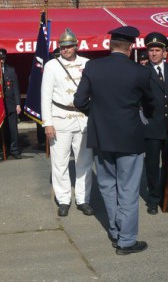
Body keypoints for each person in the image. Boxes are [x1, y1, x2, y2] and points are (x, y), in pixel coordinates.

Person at [74, 26, 154, 255]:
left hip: (102, 136)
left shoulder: (93, 66)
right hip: (130, 136)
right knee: (128, 189)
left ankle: (116, 231)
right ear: (130, 47)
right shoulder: (140, 72)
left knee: (108, 186)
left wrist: (97, 112)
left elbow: (79, 100)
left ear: (110, 45)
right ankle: (126, 241)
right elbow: (150, 104)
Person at [41, 28, 94, 217]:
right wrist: (47, 122)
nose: (65, 49)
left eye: (69, 46)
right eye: (62, 47)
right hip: (60, 118)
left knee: (84, 162)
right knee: (60, 162)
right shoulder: (51, 66)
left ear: (76, 46)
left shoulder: (87, 64)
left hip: (82, 119)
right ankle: (63, 199)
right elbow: (45, 96)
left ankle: (83, 199)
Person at [142, 32, 168, 215]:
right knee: (152, 165)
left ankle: (166, 198)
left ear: (165, 52)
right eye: (151, 50)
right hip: (151, 125)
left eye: (157, 50)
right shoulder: (142, 71)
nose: (154, 53)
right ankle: (153, 199)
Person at [0, 48, 22, 160]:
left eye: (3, 58)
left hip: (10, 104)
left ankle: (15, 150)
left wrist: (18, 104)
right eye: (0, 58)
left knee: (13, 129)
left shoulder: (11, 70)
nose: (2, 60)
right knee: (1, 130)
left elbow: (16, 88)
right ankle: (2, 150)